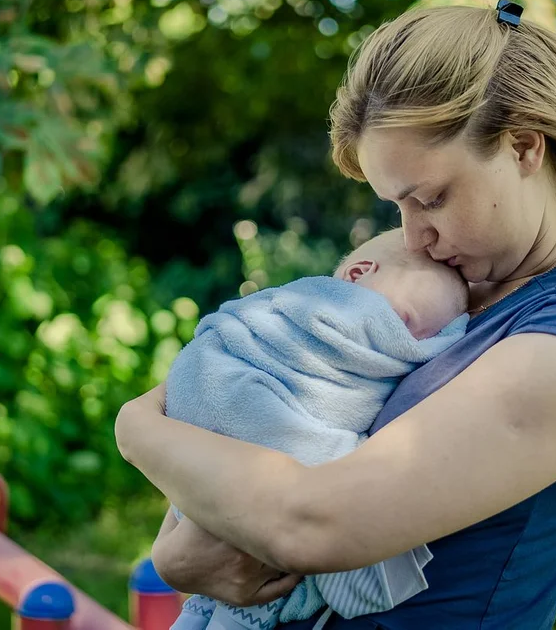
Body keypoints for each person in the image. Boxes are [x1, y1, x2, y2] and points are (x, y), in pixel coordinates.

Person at [115, 0, 556, 629]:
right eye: (398, 207)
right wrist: (177, 551)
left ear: (524, 146)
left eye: (432, 198)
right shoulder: (457, 274)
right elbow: (260, 414)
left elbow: (313, 523)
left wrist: (137, 430)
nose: (414, 238)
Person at [166, 229, 468, 629]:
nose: (413, 349)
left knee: (220, 610)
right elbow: (216, 368)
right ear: (359, 274)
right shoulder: (290, 315)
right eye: (404, 324)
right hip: (243, 434)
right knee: (210, 611)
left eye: (432, 339)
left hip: (253, 515)